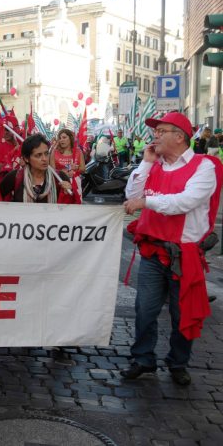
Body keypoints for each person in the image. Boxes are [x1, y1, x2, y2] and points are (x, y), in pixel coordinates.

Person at [121, 112, 222, 386]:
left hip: (183, 253)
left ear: (180, 137)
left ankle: (178, 362)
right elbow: (131, 196)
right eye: (156, 131)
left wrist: (147, 203)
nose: (155, 135)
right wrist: (145, 164)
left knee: (182, 313)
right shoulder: (154, 165)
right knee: (145, 309)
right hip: (154, 251)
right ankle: (143, 358)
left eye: (162, 130)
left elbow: (184, 202)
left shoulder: (204, 167)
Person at [0, 134, 74, 203]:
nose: (44, 159)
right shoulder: (15, 176)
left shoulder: (60, 177)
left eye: (46, 153)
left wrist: (68, 193)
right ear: (26, 158)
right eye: (38, 155)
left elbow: (71, 207)